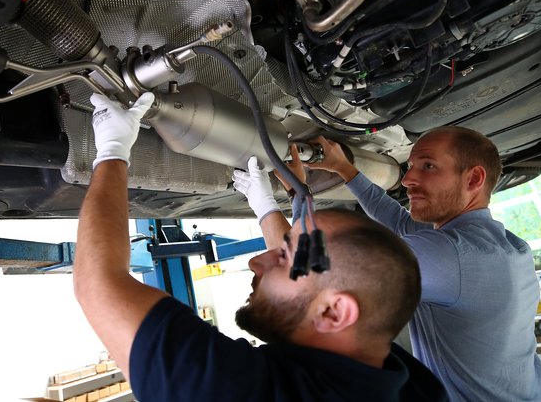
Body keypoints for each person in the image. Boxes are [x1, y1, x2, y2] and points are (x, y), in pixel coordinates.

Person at [73, 92, 449, 402]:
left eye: (283, 257)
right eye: (283, 251)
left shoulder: (244, 393)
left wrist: (112, 150)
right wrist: (268, 204)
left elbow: (99, 284)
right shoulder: (390, 371)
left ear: (335, 313)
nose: (256, 261)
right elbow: (311, 278)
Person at [233, 129, 541, 402]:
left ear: (474, 178)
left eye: (428, 167)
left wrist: (278, 199)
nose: (407, 180)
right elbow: (401, 224)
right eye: (411, 167)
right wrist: (345, 169)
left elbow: (305, 271)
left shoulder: (452, 256)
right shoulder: (505, 244)